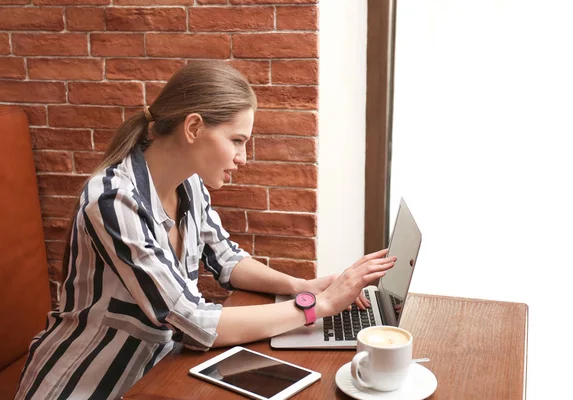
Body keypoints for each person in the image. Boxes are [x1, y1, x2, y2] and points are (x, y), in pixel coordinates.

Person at [15, 61, 396, 400]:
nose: (243, 158)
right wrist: (319, 308)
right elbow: (193, 321)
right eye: (237, 141)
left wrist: (303, 287)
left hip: (161, 370)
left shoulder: (189, 185)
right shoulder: (113, 201)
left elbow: (227, 260)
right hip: (90, 383)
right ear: (194, 127)